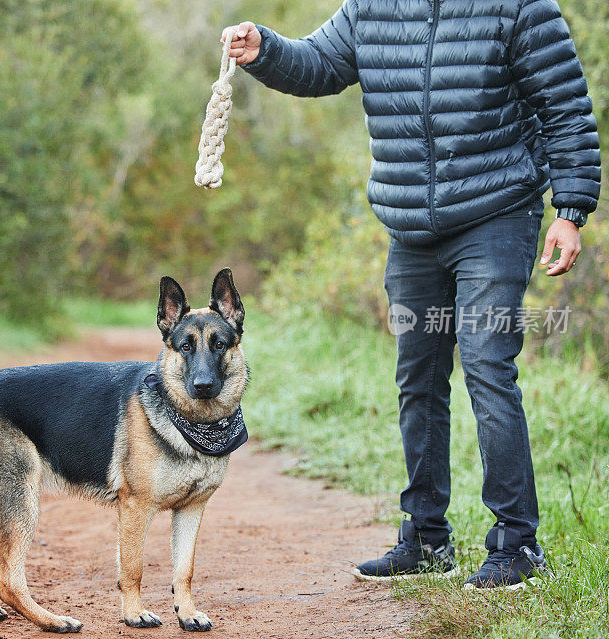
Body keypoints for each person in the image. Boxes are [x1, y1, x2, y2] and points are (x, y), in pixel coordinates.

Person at [226, 0, 600, 590]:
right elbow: (320, 63)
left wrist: (571, 209)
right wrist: (265, 51)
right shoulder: (370, 7)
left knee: (485, 363)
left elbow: (567, 107)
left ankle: (516, 544)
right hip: (411, 228)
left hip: (497, 213)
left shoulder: (521, 6)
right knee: (418, 377)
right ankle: (426, 539)